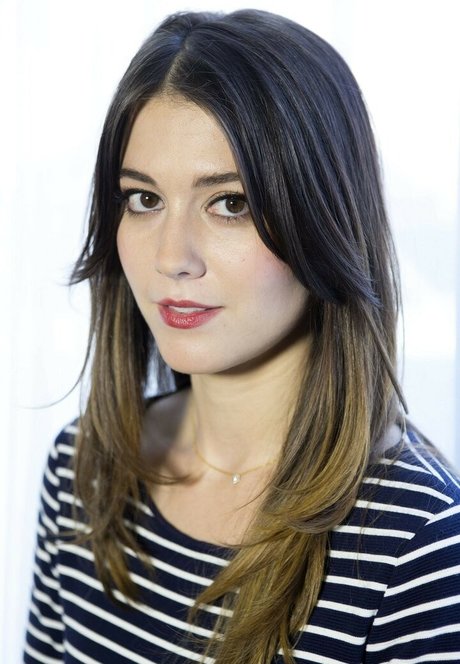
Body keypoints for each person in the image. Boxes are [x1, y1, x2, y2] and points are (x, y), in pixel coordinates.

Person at [24, 9, 460, 664]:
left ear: (324, 220)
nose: (172, 257)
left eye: (230, 203)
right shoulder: (83, 471)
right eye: (144, 199)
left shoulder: (420, 544)